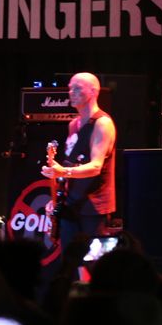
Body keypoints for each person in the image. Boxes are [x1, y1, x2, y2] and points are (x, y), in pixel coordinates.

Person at [41, 72, 116, 250]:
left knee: (92, 259)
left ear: (93, 91)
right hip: (70, 203)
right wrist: (57, 196)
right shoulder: (73, 124)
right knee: (69, 257)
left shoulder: (102, 123)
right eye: (70, 88)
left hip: (93, 205)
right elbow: (71, 163)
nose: (71, 92)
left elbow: (96, 166)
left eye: (77, 88)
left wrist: (64, 171)